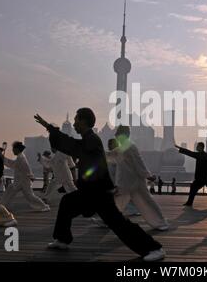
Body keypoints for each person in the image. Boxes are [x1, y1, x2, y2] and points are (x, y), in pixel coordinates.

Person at [34, 109, 165, 261]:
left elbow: (74, 146)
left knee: (118, 223)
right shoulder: (88, 139)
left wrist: (51, 129)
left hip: (98, 193)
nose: (74, 123)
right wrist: (51, 129)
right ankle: (62, 239)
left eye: (76, 120)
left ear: (84, 121)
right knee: (67, 203)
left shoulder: (92, 140)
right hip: (90, 191)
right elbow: (75, 146)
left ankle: (154, 248)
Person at [107, 126, 169, 231]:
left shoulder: (131, 147)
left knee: (147, 202)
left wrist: (148, 175)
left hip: (136, 182)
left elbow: (139, 163)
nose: (115, 135)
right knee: (117, 203)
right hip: (124, 183)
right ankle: (107, 220)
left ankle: (161, 222)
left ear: (125, 135)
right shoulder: (122, 148)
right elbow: (110, 156)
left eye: (117, 133)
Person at [1, 142, 50, 212]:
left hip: (23, 181)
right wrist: (3, 158)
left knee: (29, 196)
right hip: (21, 181)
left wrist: (3, 158)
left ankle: (44, 206)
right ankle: (2, 206)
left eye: (13, 149)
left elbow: (13, 164)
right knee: (11, 190)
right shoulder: (20, 156)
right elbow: (15, 165)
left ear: (17, 149)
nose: (12, 151)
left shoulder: (20, 157)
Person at [175, 142, 207, 207]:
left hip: (204, 178)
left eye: (198, 146)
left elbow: (190, 153)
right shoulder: (206, 155)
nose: (196, 147)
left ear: (201, 147)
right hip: (206, 178)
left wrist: (180, 148)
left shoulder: (201, 155)